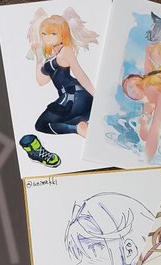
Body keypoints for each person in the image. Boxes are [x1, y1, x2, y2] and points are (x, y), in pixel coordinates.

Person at [19, 8, 99, 167]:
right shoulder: (53, 55)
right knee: (64, 122)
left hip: (75, 96)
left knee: (41, 125)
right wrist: (38, 55)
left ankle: (78, 129)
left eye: (53, 34)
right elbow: (41, 81)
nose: (47, 37)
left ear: (63, 35)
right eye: (44, 34)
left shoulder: (66, 51)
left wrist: (97, 96)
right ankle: (84, 129)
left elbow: (80, 74)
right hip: (72, 99)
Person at [121, 12, 161, 161]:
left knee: (155, 122)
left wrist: (145, 82)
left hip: (151, 81)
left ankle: (148, 156)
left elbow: (147, 69)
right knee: (157, 122)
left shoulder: (149, 48)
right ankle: (149, 157)